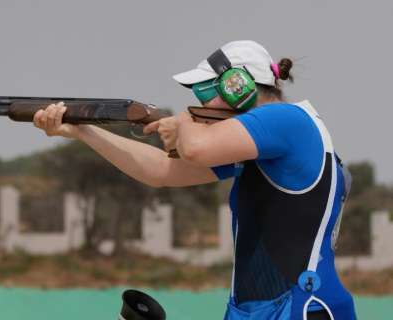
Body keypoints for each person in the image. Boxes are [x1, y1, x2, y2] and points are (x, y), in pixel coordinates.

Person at [32, 40, 356, 320]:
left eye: (205, 91)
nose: (200, 104)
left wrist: (184, 121)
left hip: (300, 309)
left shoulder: (287, 119)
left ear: (237, 87)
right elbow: (160, 170)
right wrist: (82, 131)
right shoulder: (263, 146)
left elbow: (196, 148)